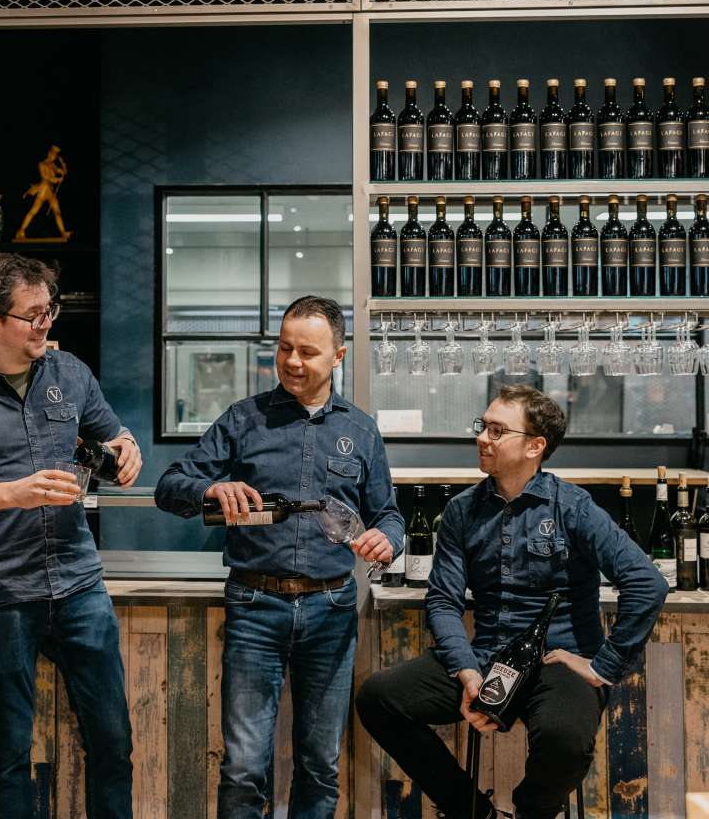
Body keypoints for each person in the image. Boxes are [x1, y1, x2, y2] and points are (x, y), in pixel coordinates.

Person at [355, 384, 669, 819]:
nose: (482, 438)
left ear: (534, 446)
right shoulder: (462, 511)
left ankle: (532, 812)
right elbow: (443, 601)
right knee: (378, 698)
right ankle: (472, 812)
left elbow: (647, 584)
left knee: (564, 738)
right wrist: (467, 672)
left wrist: (602, 667)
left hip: (558, 664)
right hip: (486, 659)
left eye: (497, 431)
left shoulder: (572, 507)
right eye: (483, 426)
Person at [0, 253, 141, 819]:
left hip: (79, 584)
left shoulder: (70, 373)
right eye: (33, 315)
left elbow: (113, 436)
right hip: (0, 592)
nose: (46, 323)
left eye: (49, 310)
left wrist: (126, 449)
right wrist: (13, 492)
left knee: (113, 740)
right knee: (9, 749)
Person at [156, 295, 404, 819]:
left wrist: (387, 539)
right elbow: (170, 486)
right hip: (254, 606)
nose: (292, 361)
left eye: (307, 352)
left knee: (320, 764)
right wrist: (211, 490)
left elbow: (389, 515)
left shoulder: (360, 431)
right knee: (244, 767)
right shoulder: (243, 419)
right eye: (284, 348)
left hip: (332, 610)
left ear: (338, 355)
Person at [15, 144, 71, 240]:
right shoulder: (42, 164)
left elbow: (64, 172)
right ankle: (21, 230)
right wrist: (56, 180)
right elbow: (45, 177)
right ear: (49, 153)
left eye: (56, 155)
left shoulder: (53, 166)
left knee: (57, 212)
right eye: (53, 154)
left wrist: (63, 163)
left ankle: (63, 232)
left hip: (50, 191)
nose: (54, 156)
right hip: (44, 189)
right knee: (34, 211)